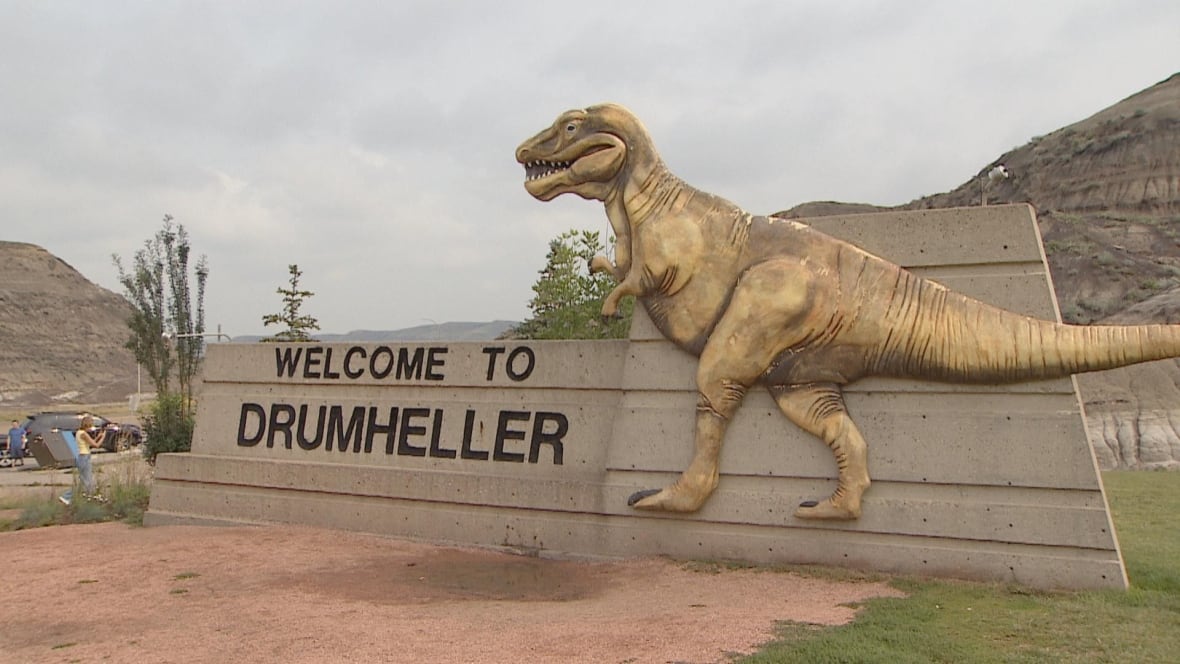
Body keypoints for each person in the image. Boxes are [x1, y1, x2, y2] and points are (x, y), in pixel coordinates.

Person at [59, 415, 107, 505]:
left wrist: (98, 436)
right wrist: (103, 437)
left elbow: (89, 444)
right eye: (91, 425)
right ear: (87, 425)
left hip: (82, 456)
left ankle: (85, 498)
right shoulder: (84, 434)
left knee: (85, 481)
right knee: (86, 482)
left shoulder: (79, 432)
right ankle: (66, 496)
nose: (92, 428)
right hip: (84, 457)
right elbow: (96, 445)